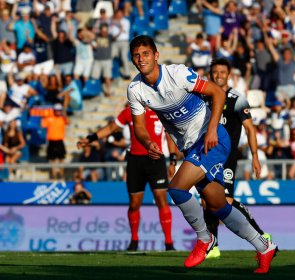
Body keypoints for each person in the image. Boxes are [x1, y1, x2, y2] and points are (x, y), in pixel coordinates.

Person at [124, 35, 277, 273]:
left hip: (212, 140)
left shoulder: (177, 74)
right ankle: (264, 245)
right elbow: (141, 128)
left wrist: (213, 128)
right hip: (191, 148)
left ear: (156, 55)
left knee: (176, 188)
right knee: (218, 206)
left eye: (145, 53)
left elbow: (217, 93)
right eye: (136, 55)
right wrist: (147, 142)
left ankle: (205, 239)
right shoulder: (135, 89)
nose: (141, 59)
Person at [77, 106, 175, 251]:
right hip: (135, 161)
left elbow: (169, 135)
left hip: (156, 160)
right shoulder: (130, 111)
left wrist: (172, 160)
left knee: (161, 199)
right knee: (134, 204)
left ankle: (168, 242)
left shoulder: (160, 108)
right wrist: (91, 138)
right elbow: (111, 127)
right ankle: (134, 240)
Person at [204, 58, 271, 259]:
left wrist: (255, 157)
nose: (218, 75)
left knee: (225, 200)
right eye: (215, 72)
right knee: (207, 201)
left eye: (222, 72)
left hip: (227, 158)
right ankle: (213, 245)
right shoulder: (204, 96)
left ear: (229, 74)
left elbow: (250, 129)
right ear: (211, 75)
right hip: (207, 156)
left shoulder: (236, 98)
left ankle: (260, 234)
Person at [41, 103, 68, 179]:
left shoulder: (63, 118)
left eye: (59, 110)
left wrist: (65, 115)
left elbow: (68, 122)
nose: (58, 112)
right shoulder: (49, 118)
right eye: (57, 110)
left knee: (61, 159)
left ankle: (61, 174)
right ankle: (54, 175)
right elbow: (42, 125)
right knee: (53, 160)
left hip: (59, 140)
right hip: (52, 141)